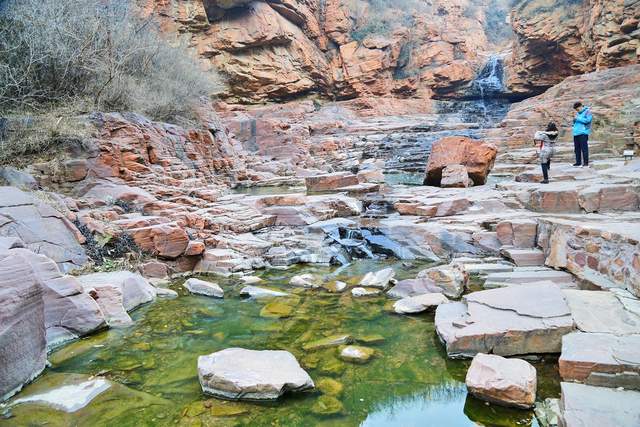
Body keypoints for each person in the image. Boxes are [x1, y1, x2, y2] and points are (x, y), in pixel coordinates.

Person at [572, 101, 592, 167]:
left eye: (577, 109)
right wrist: (574, 120)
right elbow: (576, 122)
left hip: (583, 133)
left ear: (581, 106)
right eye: (576, 110)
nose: (577, 110)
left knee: (584, 149)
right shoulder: (578, 113)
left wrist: (577, 118)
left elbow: (588, 120)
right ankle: (578, 162)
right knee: (577, 149)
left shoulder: (587, 111)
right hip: (576, 133)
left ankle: (586, 163)